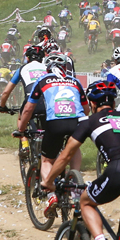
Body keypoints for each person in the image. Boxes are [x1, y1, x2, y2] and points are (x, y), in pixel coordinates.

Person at [41, 81, 120, 240]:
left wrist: (48, 180)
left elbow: (66, 155)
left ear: (91, 104)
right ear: (114, 104)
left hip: (117, 171)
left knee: (85, 202)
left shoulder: (89, 121)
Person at [15, 52, 89, 216]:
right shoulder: (75, 81)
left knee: (47, 159)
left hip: (55, 123)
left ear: (46, 68)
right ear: (65, 67)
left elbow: (28, 109)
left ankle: (51, 194)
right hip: (77, 122)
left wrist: (21, 130)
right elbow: (86, 109)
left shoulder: (42, 80)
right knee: (74, 148)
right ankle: (74, 181)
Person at [0, 44, 47, 128]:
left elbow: (6, 91)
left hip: (31, 101)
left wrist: (2, 106)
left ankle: (24, 140)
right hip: (47, 102)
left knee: (20, 119)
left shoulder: (22, 68)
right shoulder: (48, 68)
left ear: (27, 58)